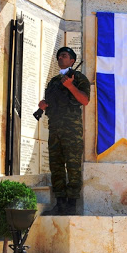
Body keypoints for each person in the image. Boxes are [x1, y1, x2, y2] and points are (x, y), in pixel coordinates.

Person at [38, 47, 90, 215]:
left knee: (73, 166)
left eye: (64, 55)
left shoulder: (78, 78)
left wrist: (70, 86)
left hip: (71, 129)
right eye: (59, 55)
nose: (60, 58)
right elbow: (51, 102)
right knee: (56, 166)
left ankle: (72, 205)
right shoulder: (53, 82)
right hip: (55, 129)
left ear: (72, 60)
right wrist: (44, 105)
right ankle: (60, 204)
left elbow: (84, 100)